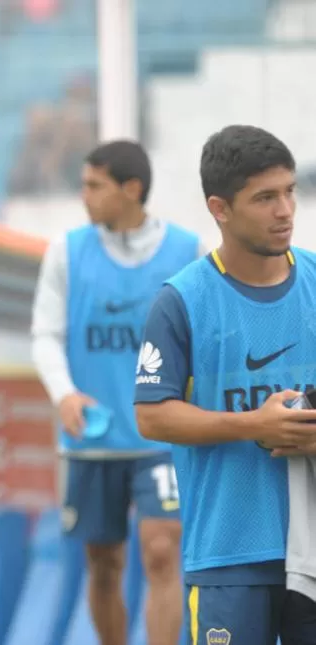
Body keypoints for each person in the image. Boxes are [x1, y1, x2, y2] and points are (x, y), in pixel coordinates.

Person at [135, 124, 316, 645]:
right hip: (229, 551)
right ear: (220, 208)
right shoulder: (182, 299)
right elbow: (152, 414)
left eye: (289, 192)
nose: (285, 210)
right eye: (265, 198)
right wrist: (254, 424)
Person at [31, 140, 201, 645]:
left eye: (93, 185)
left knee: (162, 551)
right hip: (94, 437)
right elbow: (45, 335)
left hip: (161, 436)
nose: (83, 195)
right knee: (104, 564)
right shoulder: (66, 251)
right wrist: (63, 394)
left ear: (131, 189)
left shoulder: (187, 250)